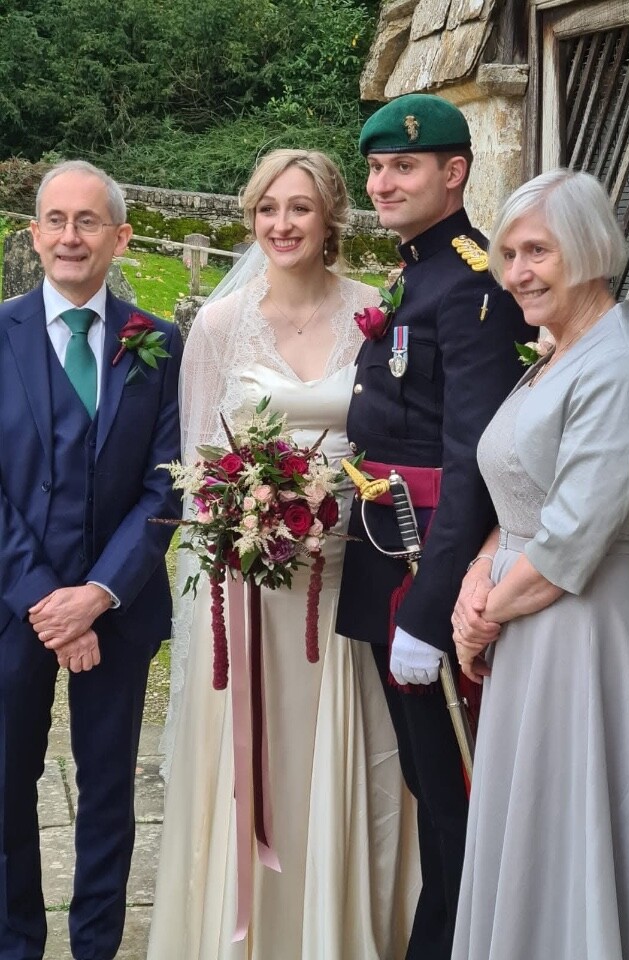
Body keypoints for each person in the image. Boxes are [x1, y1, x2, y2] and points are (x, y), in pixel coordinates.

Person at [147, 148, 420, 960]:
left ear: (330, 216)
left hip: (345, 580)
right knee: (255, 767)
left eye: (299, 207)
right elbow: (196, 471)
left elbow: (398, 440)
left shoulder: (375, 312)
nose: (282, 223)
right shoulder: (221, 328)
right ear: (251, 217)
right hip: (253, 589)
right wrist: (245, 521)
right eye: (268, 208)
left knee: (344, 766)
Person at [336, 94, 530, 960]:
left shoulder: (473, 281)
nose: (382, 182)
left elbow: (474, 462)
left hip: (429, 577)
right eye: (376, 167)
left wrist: (425, 611)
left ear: (454, 173)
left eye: (402, 166)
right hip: (390, 559)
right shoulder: (420, 270)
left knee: (455, 794)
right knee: (428, 785)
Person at [451, 168, 629, 960]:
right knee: (526, 819)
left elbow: (571, 539)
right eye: (508, 254)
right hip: (522, 614)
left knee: (568, 820)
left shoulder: (621, 366)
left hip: (576, 629)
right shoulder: (557, 353)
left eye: (536, 251)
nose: (516, 273)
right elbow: (517, 496)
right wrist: (477, 575)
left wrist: (480, 617)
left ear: (589, 249)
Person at [0, 159, 182, 960]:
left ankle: (98, 946)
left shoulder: (159, 344)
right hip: (13, 611)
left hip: (121, 608)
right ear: (35, 234)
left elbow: (167, 482)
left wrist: (99, 594)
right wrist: (49, 602)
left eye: (89, 222)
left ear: (121, 237)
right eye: (57, 221)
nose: (71, 236)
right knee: (7, 788)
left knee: (108, 790)